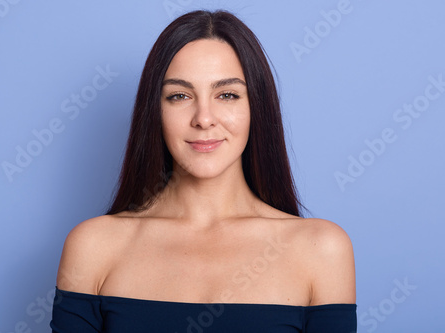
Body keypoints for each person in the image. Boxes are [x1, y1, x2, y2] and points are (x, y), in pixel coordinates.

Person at [50, 9, 356, 332]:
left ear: (256, 108)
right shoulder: (92, 248)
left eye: (227, 95)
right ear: (155, 111)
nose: (204, 118)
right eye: (180, 96)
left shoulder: (322, 251)